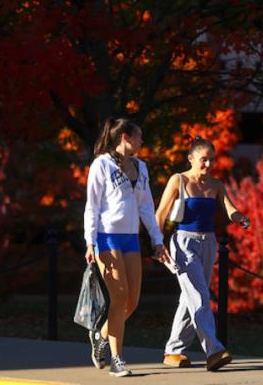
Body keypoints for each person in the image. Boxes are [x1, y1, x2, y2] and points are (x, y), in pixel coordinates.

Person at [84, 118, 171, 377]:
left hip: (131, 239)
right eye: (139, 136)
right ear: (125, 137)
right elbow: (93, 205)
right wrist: (89, 241)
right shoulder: (102, 164)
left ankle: (100, 336)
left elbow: (146, 207)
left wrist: (157, 240)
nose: (141, 141)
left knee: (131, 301)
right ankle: (117, 359)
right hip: (106, 237)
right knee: (119, 297)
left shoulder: (141, 168)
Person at [155, 136, 250, 371]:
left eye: (212, 160)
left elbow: (229, 209)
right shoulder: (178, 180)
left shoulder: (216, 184)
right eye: (203, 160)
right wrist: (158, 245)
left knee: (190, 299)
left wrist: (240, 218)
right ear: (191, 158)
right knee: (199, 296)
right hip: (183, 244)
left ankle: (173, 351)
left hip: (209, 243)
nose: (208, 165)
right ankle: (214, 351)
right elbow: (160, 214)